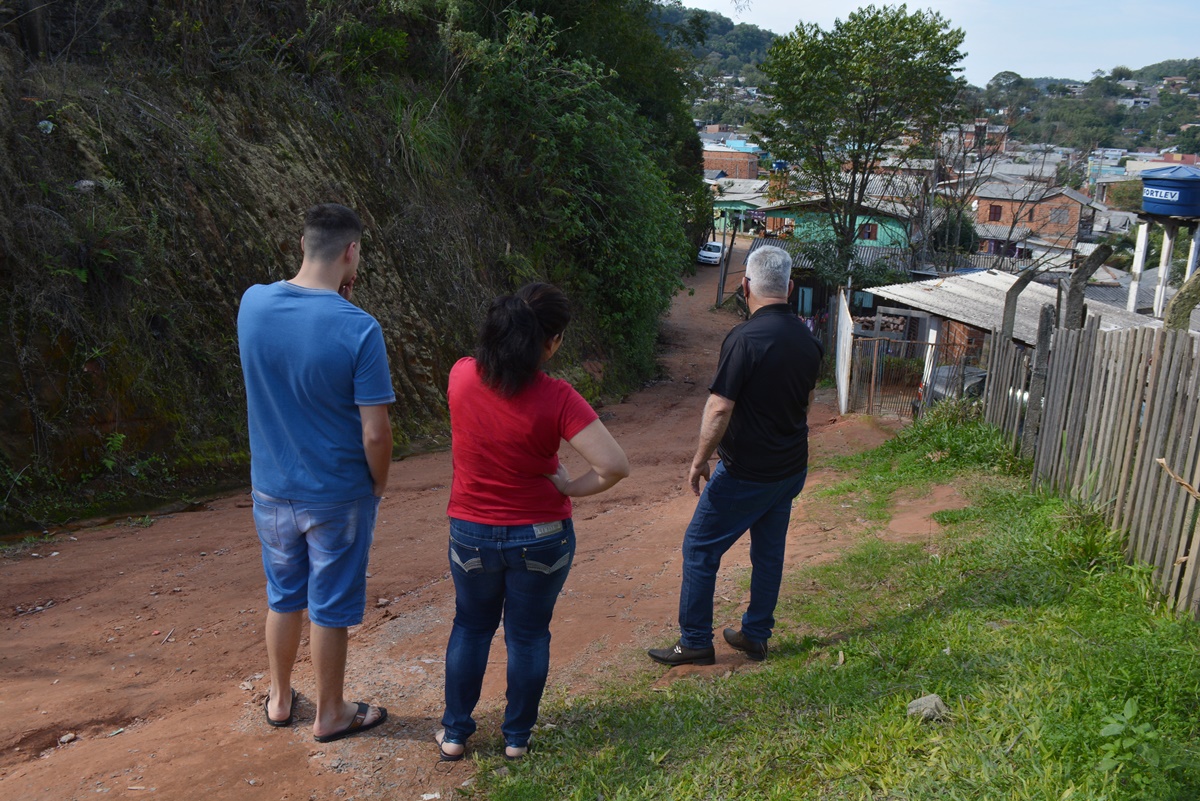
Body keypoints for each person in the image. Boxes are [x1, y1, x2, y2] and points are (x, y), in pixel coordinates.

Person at [436, 283, 629, 762]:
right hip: (541, 536)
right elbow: (614, 466)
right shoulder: (558, 397)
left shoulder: (461, 376)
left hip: (472, 532)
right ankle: (516, 739)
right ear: (553, 341)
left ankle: (456, 734)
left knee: (470, 628)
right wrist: (567, 487)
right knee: (527, 635)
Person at [238, 203, 394, 743]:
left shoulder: (252, 304)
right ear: (351, 252)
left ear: (303, 244)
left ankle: (280, 700)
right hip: (337, 494)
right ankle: (331, 711)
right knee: (330, 602)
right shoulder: (360, 329)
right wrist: (379, 481)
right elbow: (375, 433)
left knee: (283, 593)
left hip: (271, 489)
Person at [648, 245, 823, 667]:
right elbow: (807, 401)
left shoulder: (744, 338)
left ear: (745, 287)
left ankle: (694, 641)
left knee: (699, 547)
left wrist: (699, 460)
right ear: (791, 288)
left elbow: (720, 407)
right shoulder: (809, 340)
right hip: (789, 467)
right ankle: (756, 635)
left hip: (746, 470)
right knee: (768, 552)